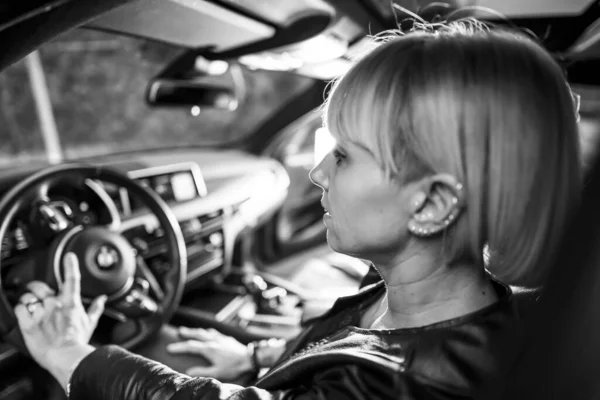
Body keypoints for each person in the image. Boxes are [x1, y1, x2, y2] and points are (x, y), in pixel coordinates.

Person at [14, 19, 582, 399]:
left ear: (431, 204)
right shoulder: (418, 292)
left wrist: (70, 354)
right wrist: (254, 358)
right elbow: (348, 347)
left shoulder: (402, 389)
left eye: (343, 156)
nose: (315, 174)